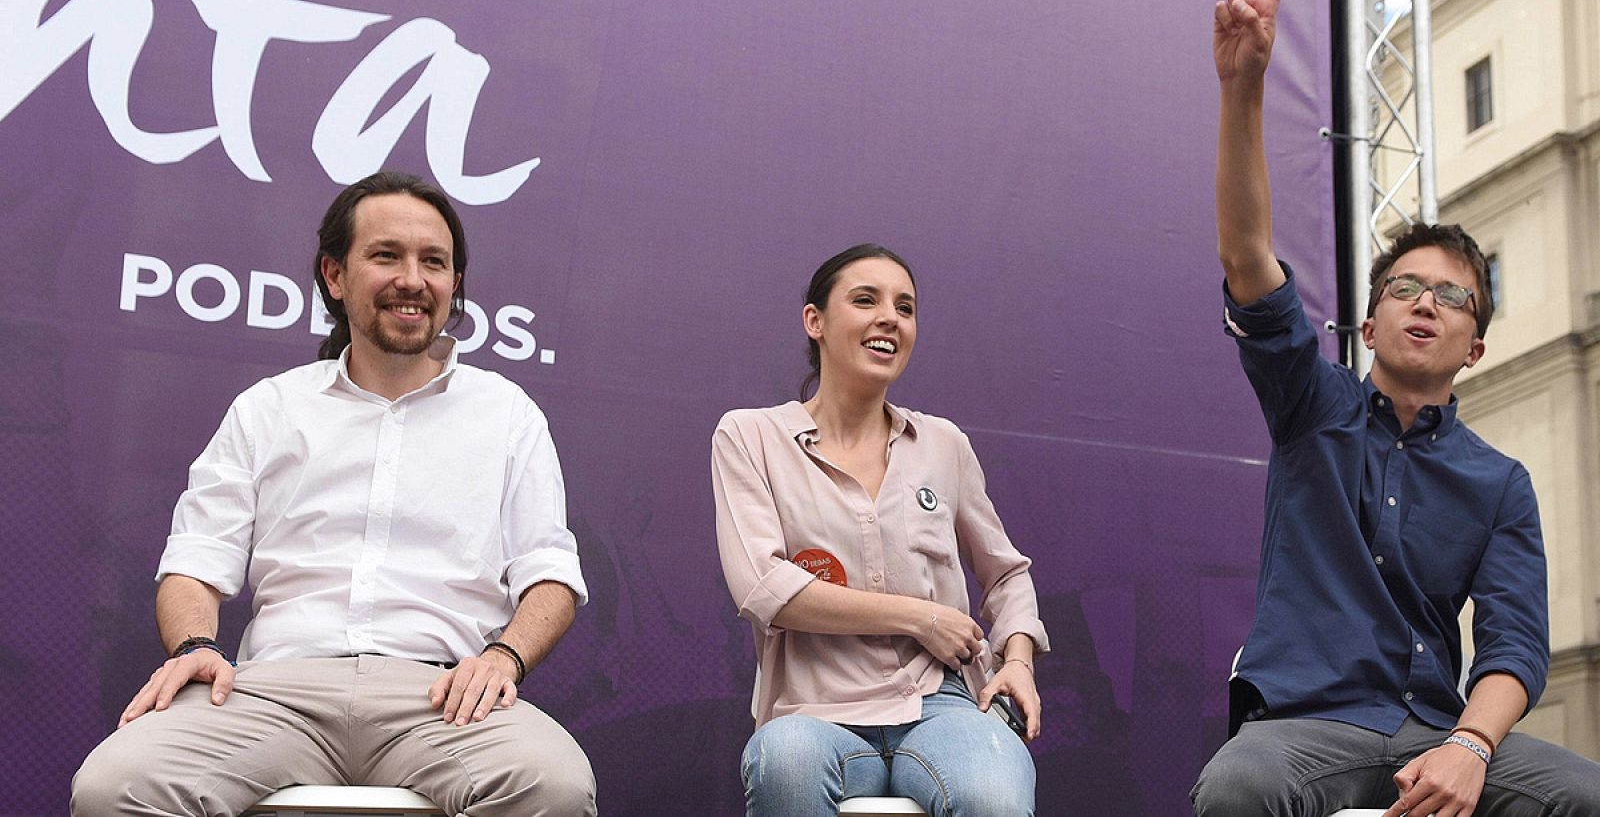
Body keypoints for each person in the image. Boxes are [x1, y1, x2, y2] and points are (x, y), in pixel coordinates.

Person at [1192, 0, 1600, 816]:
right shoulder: (1310, 402)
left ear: (1475, 346)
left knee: (1582, 793)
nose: (1426, 303)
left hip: (1437, 730)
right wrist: (1243, 87)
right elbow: (1247, 254)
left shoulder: (1499, 483)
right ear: (1369, 323)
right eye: (1405, 288)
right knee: (1238, 785)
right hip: (1303, 726)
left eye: (1452, 297)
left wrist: (1469, 745)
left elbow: (1515, 646)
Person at [71, 171, 596, 817]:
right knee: (113, 787)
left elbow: (550, 575)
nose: (412, 279)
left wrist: (503, 659)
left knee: (554, 786)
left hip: (443, 698)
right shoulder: (269, 408)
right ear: (335, 274)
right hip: (273, 693)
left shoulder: (507, 413)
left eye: (434, 262)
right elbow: (194, 564)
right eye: (386, 255)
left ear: (454, 282)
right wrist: (194, 647)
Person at [712, 243, 1050, 817]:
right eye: (866, 300)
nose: (890, 318)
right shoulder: (751, 437)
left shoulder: (943, 444)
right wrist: (922, 617)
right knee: (785, 761)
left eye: (905, 307)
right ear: (815, 321)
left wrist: (1017, 659)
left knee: (992, 790)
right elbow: (765, 589)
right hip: (813, 712)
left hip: (942, 705)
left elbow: (1006, 574)